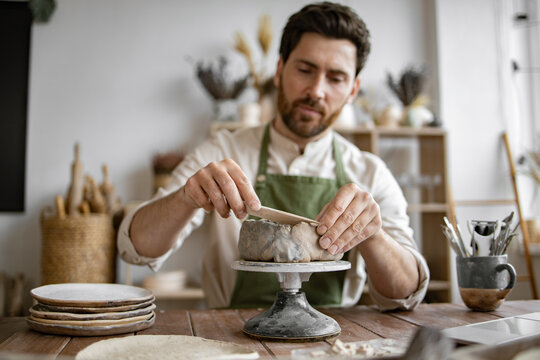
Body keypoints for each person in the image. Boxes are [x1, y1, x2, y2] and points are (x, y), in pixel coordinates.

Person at [118, 1, 429, 310]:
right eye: (305, 70)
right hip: (233, 341)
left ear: (352, 90)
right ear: (279, 71)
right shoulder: (223, 151)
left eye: (335, 78)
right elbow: (135, 248)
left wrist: (373, 236)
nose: (316, 91)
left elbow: (407, 294)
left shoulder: (370, 173)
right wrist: (184, 198)